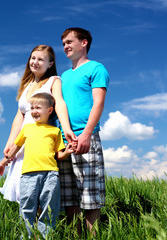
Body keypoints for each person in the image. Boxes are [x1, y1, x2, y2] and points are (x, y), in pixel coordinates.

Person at [0, 45, 76, 203]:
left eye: (41, 59)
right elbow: (20, 115)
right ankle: (28, 226)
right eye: (33, 58)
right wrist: (10, 142)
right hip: (24, 138)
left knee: (38, 187)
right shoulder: (26, 85)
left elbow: (60, 103)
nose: (35, 62)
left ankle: (41, 226)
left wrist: (66, 128)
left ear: (50, 64)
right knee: (22, 187)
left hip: (40, 137)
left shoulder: (54, 81)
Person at [0, 93, 75, 238]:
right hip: (28, 175)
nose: (34, 111)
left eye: (38, 107)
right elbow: (15, 149)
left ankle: (46, 237)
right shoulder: (27, 129)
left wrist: (68, 151)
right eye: (32, 108)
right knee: (27, 207)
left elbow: (59, 156)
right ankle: (28, 236)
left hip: (50, 174)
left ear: (49, 110)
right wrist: (3, 163)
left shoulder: (55, 131)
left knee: (49, 208)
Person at [58, 27, 110, 236]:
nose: (65, 47)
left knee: (90, 197)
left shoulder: (96, 68)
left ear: (84, 42)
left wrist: (87, 133)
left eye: (69, 42)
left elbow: (99, 103)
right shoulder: (63, 76)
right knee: (69, 199)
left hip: (85, 136)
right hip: (64, 139)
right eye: (63, 44)